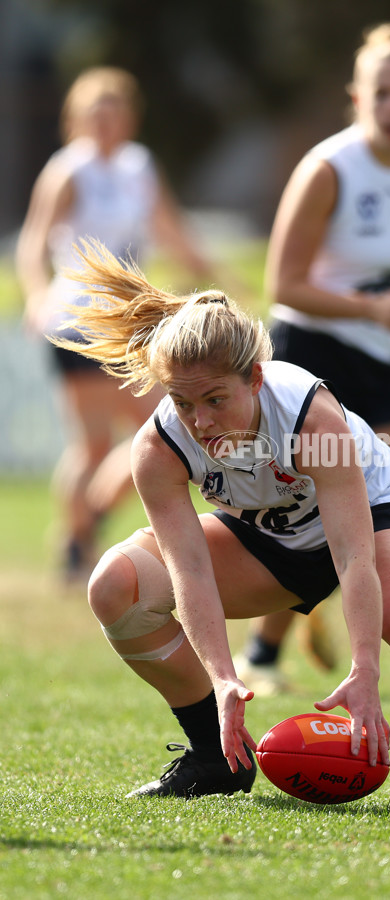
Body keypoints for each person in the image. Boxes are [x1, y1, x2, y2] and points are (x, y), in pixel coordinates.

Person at [51, 239, 390, 815]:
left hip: (374, 516)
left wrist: (365, 673)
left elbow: (353, 557)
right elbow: (190, 568)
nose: (200, 421)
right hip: (273, 538)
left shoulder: (310, 419)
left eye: (215, 399)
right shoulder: (158, 447)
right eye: (182, 401)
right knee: (115, 588)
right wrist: (222, 679)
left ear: (254, 378)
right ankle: (214, 760)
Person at [236, 23, 390, 693]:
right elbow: (283, 286)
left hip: (382, 356)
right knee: (313, 504)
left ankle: (323, 589)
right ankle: (264, 654)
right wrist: (368, 309)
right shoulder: (329, 168)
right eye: (380, 94)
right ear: (357, 98)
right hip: (314, 358)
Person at [15, 66, 215, 582]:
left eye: (114, 108)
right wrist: (37, 295)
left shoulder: (138, 166)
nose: (104, 119)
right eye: (94, 109)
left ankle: (87, 524)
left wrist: (211, 275)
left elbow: (169, 228)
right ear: (76, 118)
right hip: (80, 319)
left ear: (130, 116)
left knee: (160, 428)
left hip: (130, 321)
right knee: (96, 442)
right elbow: (34, 242)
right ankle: (77, 543)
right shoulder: (68, 171)